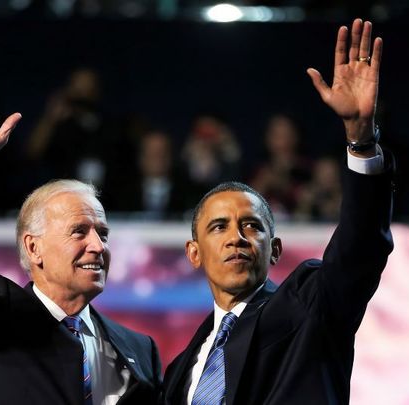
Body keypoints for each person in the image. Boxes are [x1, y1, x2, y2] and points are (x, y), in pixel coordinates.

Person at [162, 18, 394, 404]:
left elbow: (360, 247)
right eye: (218, 227)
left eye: (251, 225)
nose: (236, 236)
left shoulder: (310, 308)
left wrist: (361, 140)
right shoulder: (180, 369)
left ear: (275, 249)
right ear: (194, 252)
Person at [0, 71, 162, 405]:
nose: (98, 246)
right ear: (34, 247)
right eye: (79, 231)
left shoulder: (139, 348)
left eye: (103, 234)